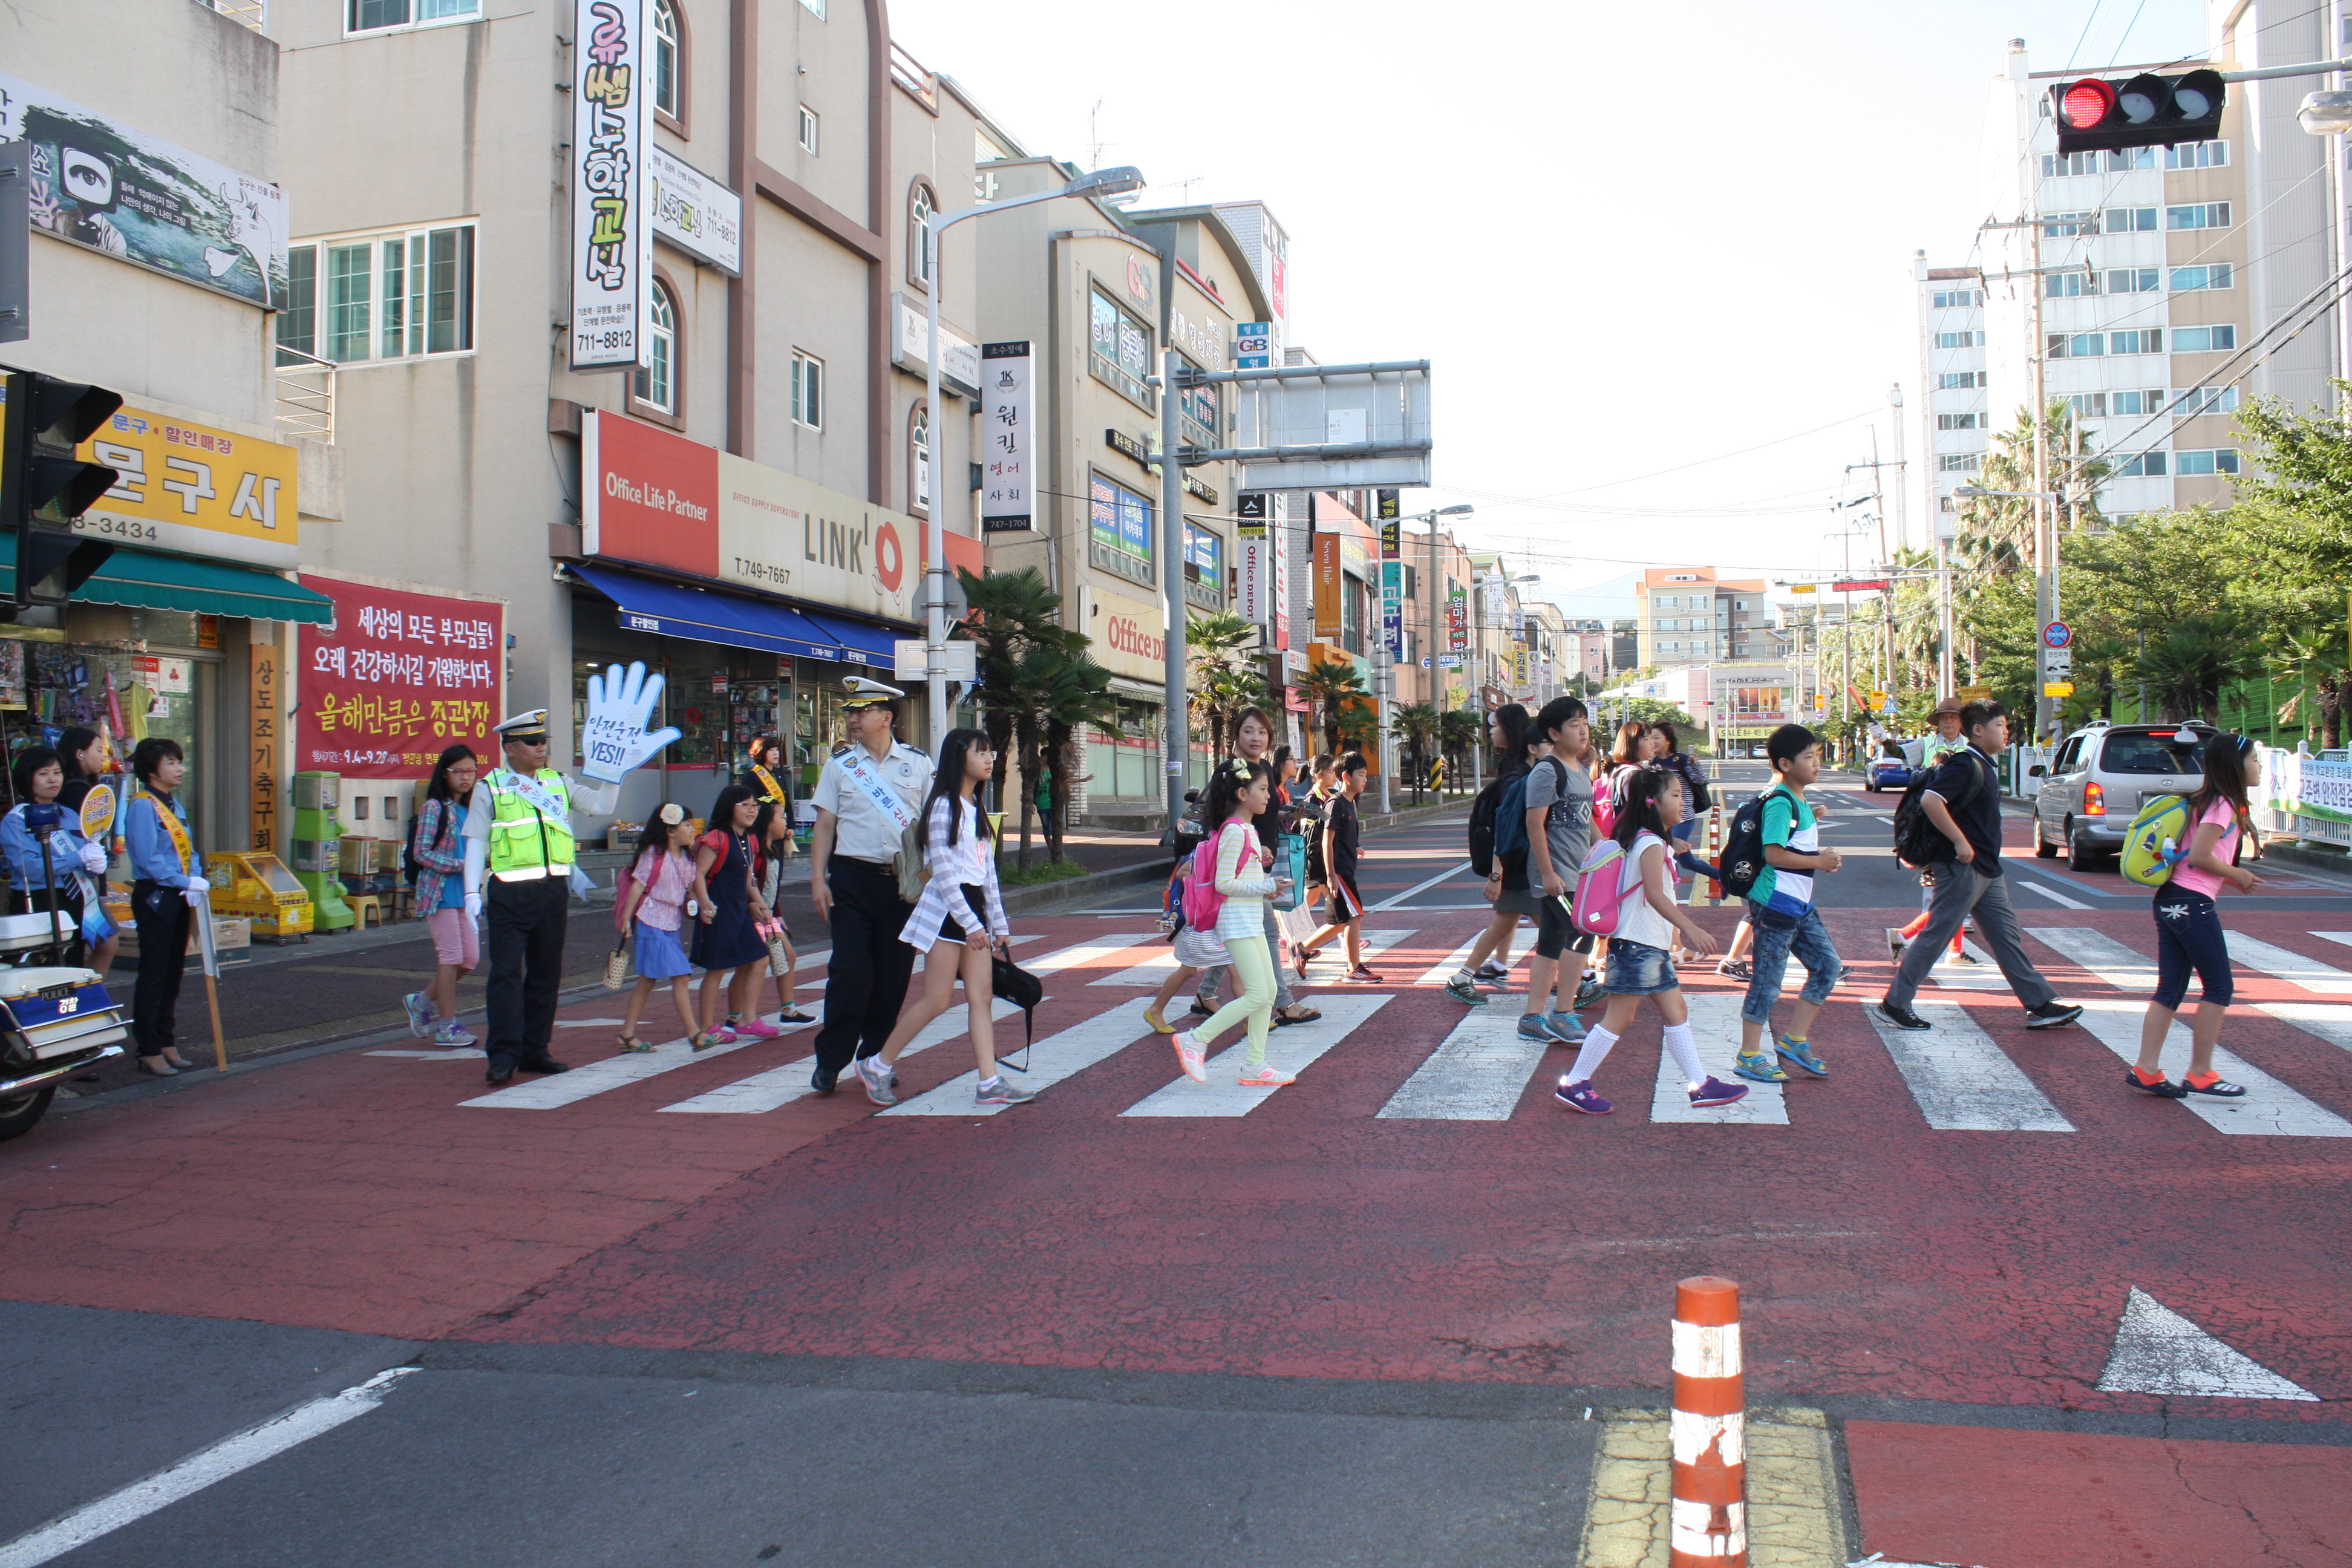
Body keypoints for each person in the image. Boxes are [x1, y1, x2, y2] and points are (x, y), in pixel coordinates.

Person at [1877, 699, 2084, 1033]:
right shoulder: (1965, 764)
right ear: (1978, 730)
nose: (2006, 731)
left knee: (2006, 937)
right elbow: (1931, 800)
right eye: (2000, 725)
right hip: (1961, 867)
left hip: (1987, 868)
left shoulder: (1984, 764)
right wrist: (1960, 842)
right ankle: (1895, 1004)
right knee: (1936, 936)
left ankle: (2039, 1003)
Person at [1553, 766, 1746, 1115]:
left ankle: (1699, 1083)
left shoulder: (1645, 839)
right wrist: (1692, 930)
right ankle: (1575, 1082)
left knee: (1677, 1011)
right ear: (1652, 802)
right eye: (1675, 796)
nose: (1682, 802)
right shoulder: (1650, 842)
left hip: (1645, 946)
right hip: (1636, 945)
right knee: (1619, 1019)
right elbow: (1656, 896)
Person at [857, 729, 1026, 1107]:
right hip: (949, 912)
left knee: (981, 998)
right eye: (981, 752)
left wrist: (998, 924)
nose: (989, 759)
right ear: (958, 757)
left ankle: (989, 1083)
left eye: (991, 752)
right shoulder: (943, 807)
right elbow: (945, 874)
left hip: (973, 911)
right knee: (936, 999)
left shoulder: (976, 809)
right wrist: (972, 925)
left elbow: (987, 874)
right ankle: (878, 1065)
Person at [462, 710, 615, 1085]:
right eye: (532, 742)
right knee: (506, 975)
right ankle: (502, 1055)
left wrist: (614, 775)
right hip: (509, 893)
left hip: (551, 892)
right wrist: (470, 891)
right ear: (510, 748)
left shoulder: (558, 782)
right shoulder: (491, 787)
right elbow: (475, 841)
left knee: (547, 974)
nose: (541, 747)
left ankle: (535, 1050)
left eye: (543, 741)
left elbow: (603, 807)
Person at [808, 676, 933, 1095]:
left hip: (901, 885)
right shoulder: (840, 765)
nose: (853, 719)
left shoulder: (918, 764)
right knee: (848, 973)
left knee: (892, 975)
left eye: (861, 712)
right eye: (851, 713)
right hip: (851, 878)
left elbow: (933, 825)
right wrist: (817, 880)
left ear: (887, 717)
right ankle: (830, 1061)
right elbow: (824, 826)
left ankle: (875, 1057)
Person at [2131, 733, 2261, 1099]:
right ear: (2236, 766)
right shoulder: (2223, 804)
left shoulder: (2208, 801)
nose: (2259, 767)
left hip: (2171, 899)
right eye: (2254, 760)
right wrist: (2238, 875)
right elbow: (2200, 856)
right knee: (2219, 987)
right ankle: (2201, 1072)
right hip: (2191, 902)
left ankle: (2147, 1069)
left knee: (2170, 989)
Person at [1171, 756, 1297, 1085]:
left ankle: (1255, 1064)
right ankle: (1196, 1039)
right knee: (1257, 994)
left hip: (1250, 920)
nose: (1269, 795)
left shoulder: (1247, 830)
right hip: (1236, 923)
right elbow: (1223, 884)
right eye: (1262, 788)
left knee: (1267, 992)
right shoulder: (1235, 832)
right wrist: (1268, 886)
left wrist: (1266, 890)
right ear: (1243, 794)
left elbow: (1242, 879)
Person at [1193, 707, 1321, 1027]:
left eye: (1262, 732)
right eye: (1249, 731)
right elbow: (1214, 817)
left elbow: (1261, 812)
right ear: (1237, 735)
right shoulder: (1228, 770)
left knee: (1243, 935)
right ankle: (1284, 1004)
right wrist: (1249, 845)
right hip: (1239, 871)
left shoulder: (1263, 767)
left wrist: (1285, 818)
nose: (1256, 738)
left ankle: (1206, 993)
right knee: (1261, 933)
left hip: (1260, 866)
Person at [1733, 724, 1845, 1084]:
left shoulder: (1798, 801)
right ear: (1785, 763)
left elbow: (1794, 837)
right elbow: (1774, 855)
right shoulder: (1782, 802)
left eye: (1818, 756)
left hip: (1799, 905)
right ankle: (1749, 1055)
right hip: (1776, 906)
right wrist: (1819, 861)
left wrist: (1817, 818)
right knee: (1767, 981)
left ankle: (1794, 1040)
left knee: (1827, 967)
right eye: (1809, 757)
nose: (1817, 764)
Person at [122, 739, 210, 1077]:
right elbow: (147, 858)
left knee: (174, 971)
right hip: (156, 895)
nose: (179, 768)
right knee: (155, 971)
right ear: (151, 768)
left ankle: (166, 1038)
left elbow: (189, 849)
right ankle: (148, 1047)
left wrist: (196, 878)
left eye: (179, 762)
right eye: (171, 762)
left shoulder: (174, 804)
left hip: (179, 893)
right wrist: (182, 881)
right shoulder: (143, 806)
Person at [1518, 696, 1596, 1045]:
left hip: (1576, 873)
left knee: (1551, 943)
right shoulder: (1548, 770)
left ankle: (1532, 1018)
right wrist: (1548, 874)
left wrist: (1611, 852)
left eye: (1584, 723)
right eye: (1573, 725)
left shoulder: (1580, 770)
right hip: (1556, 875)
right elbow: (1534, 824)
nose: (1582, 731)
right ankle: (1563, 1013)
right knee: (1581, 932)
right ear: (1554, 733)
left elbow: (1588, 820)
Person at [1445, 705, 1536, 1005]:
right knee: (1555, 926)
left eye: (1495, 726)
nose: (1491, 731)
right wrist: (1497, 875)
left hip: (1518, 865)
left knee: (1507, 921)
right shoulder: (1516, 774)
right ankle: (1582, 978)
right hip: (1518, 866)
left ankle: (1467, 976)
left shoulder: (1516, 769)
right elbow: (1505, 828)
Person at [402, 745, 482, 1047]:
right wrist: (461, 866)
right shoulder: (435, 808)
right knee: (450, 958)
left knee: (470, 959)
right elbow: (421, 853)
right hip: (439, 894)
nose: (466, 777)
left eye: (471, 771)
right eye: (458, 771)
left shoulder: (474, 809)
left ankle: (421, 1002)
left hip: (467, 894)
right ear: (444, 773)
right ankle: (447, 1027)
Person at [1, 746, 107, 970]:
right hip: (39, 900)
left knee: (76, 963)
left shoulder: (68, 814)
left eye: (57, 772)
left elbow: (83, 859)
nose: (52, 780)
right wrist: (78, 858)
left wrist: (94, 863)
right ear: (28, 777)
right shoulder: (15, 820)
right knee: (47, 971)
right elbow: (30, 868)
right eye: (43, 773)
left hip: (76, 898)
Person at [691, 785, 780, 1047]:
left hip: (739, 913)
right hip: (718, 913)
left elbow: (749, 880)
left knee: (759, 959)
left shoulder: (750, 841)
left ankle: (747, 1019)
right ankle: (707, 1025)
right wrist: (706, 903)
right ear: (729, 808)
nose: (752, 810)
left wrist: (762, 905)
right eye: (746, 805)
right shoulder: (715, 838)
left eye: (755, 805)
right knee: (716, 970)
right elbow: (698, 874)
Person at [614, 804, 702, 1052]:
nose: (691, 829)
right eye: (686, 825)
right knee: (681, 976)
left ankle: (627, 1034)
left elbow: (691, 889)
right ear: (670, 831)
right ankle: (695, 1034)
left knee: (647, 980)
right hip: (650, 920)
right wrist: (626, 920)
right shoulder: (653, 854)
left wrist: (703, 907)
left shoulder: (686, 857)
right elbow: (638, 886)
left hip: (671, 923)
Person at [1890, 697, 1971, 964]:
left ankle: (1954, 950)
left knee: (1957, 894)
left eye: (1953, 716)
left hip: (1963, 823)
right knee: (1949, 896)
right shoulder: (1926, 745)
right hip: (1933, 826)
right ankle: (1906, 937)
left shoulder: (1970, 746)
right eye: (1943, 717)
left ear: (1962, 721)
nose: (1947, 721)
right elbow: (1899, 752)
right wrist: (1883, 740)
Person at [1294, 752, 1375, 981]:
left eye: (1366, 775)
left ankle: (1302, 950)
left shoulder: (1349, 803)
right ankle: (1353, 968)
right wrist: (1331, 875)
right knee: (1354, 916)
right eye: (1361, 775)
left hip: (1345, 870)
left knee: (1341, 921)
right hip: (1338, 872)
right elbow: (1326, 841)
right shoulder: (1335, 803)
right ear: (1346, 776)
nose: (1365, 779)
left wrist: (1356, 846)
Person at [53, 725, 120, 979]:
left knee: (103, 942)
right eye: (98, 750)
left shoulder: (80, 790)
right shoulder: (76, 793)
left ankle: (84, 996)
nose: (104, 755)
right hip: (77, 882)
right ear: (79, 754)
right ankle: (84, 998)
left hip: (85, 880)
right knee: (103, 942)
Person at [752, 800, 814, 1025]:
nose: (786, 822)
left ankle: (788, 1010)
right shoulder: (757, 851)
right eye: (781, 817)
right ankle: (737, 1016)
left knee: (786, 957)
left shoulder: (773, 850)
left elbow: (773, 889)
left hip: (769, 917)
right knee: (750, 967)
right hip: (756, 918)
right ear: (767, 823)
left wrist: (778, 914)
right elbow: (752, 886)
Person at [1651, 722, 1714, 884]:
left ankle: (1671, 890)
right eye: (1650, 738)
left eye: (1657, 737)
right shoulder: (1654, 764)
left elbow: (1699, 780)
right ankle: (1721, 876)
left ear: (1668, 741)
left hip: (1683, 815)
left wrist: (1694, 766)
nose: (1653, 741)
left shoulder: (1680, 760)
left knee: (1670, 852)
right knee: (1687, 861)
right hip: (1664, 816)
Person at [737, 735, 799, 857]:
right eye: (771, 750)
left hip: (780, 829)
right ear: (761, 752)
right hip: (763, 830)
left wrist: (791, 826)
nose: (776, 754)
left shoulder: (779, 774)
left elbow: (786, 801)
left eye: (777, 750)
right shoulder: (752, 777)